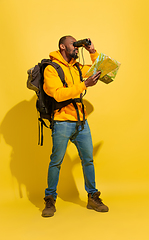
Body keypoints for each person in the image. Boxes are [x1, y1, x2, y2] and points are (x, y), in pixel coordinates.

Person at [42, 35, 109, 217]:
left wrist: (92, 51)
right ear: (63, 47)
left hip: (81, 122)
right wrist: (83, 85)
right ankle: (50, 199)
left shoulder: (78, 68)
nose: (76, 48)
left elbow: (104, 71)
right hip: (62, 121)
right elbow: (57, 94)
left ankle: (93, 197)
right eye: (74, 45)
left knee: (88, 160)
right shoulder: (51, 68)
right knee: (56, 162)